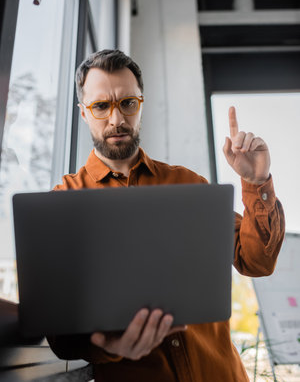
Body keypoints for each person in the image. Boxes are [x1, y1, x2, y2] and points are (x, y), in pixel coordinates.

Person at [48, 49, 285, 382]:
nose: (116, 120)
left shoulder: (188, 184)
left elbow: (257, 262)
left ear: (140, 104)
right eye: (101, 106)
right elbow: (60, 333)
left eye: (128, 103)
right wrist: (111, 345)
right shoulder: (65, 202)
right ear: (84, 114)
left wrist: (256, 181)